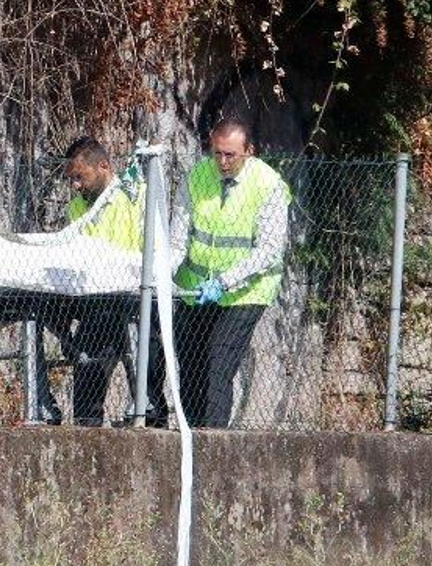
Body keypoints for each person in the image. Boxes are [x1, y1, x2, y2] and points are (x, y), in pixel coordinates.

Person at [168, 118, 290, 428]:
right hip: (194, 290)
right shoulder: (196, 177)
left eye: (230, 155)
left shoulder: (268, 185)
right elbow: (177, 238)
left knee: (218, 366)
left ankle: (213, 445)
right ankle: (190, 438)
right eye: (217, 153)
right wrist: (165, 276)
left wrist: (224, 281)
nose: (222, 162)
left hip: (246, 292)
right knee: (190, 365)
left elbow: (269, 249)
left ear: (249, 151)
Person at [62, 136, 144, 426]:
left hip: (134, 299)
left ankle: (146, 419)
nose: (76, 185)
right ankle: (88, 432)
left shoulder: (135, 196)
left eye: (80, 177)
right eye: (71, 178)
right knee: (87, 381)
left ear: (104, 166)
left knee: (147, 379)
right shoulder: (77, 207)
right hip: (96, 303)